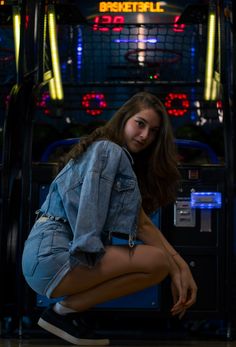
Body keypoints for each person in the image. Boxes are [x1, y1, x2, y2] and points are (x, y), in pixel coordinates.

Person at [22, 91, 197, 345]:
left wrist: (178, 268)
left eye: (154, 130)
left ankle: (63, 314)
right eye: (140, 123)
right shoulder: (107, 150)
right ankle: (61, 313)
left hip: (44, 256)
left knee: (159, 265)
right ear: (124, 118)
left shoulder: (111, 153)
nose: (145, 135)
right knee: (158, 262)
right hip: (52, 254)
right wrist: (179, 268)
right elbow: (138, 224)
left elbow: (141, 222)